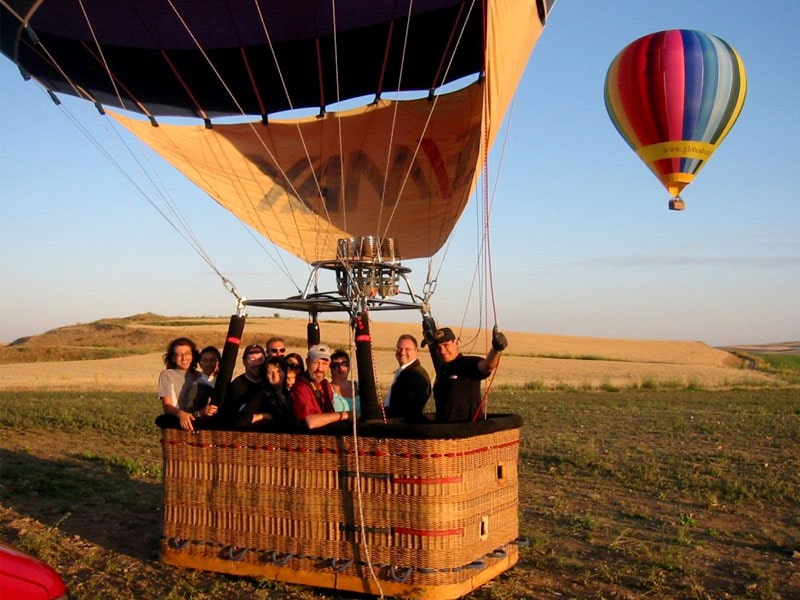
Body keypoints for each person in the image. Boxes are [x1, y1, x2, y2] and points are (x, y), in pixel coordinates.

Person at [429, 325, 508, 423]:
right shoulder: (442, 370)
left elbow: (487, 365)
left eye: (446, 345)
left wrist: (496, 349)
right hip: (445, 432)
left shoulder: (467, 364)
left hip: (466, 431)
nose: (442, 351)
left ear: (456, 343)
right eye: (438, 347)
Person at [290, 344, 352, 429]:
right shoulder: (301, 387)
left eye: (324, 363)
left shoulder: (324, 384)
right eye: (316, 363)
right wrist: (345, 415)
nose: (320, 368)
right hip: (307, 440)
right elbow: (311, 422)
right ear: (307, 362)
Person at [229, 355, 293, 429]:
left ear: (284, 372)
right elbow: (241, 420)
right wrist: (263, 416)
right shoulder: (262, 394)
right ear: (265, 375)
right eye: (270, 372)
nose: (274, 375)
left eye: (278, 371)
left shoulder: (288, 393)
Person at [220, 344, 270, 429]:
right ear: (244, 362)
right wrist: (263, 415)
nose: (257, 364)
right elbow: (238, 417)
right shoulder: (237, 386)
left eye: (260, 360)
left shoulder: (269, 383)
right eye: (252, 359)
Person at [384, 334, 431, 421]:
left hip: (405, 429)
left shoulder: (418, 376)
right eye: (399, 348)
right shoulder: (403, 373)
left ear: (416, 351)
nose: (402, 352)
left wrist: (380, 412)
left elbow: (408, 409)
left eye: (407, 349)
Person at [157, 337, 200, 431]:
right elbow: (167, 406)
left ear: (193, 356)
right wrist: (181, 414)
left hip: (199, 423)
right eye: (179, 354)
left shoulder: (200, 376)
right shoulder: (167, 375)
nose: (184, 358)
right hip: (178, 424)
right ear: (173, 358)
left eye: (187, 353)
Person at [329, 349, 360, 416]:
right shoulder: (328, 389)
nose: (341, 368)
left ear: (349, 367)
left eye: (344, 364)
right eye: (336, 365)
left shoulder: (359, 386)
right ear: (330, 368)